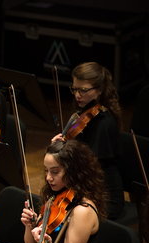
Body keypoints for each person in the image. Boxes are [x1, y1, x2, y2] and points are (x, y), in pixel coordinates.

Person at [52, 61, 124, 220]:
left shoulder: (104, 123)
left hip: (104, 196)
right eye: (74, 89)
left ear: (99, 91)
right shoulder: (84, 113)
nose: (77, 95)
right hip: (86, 188)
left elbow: (91, 168)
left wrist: (62, 152)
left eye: (83, 90)